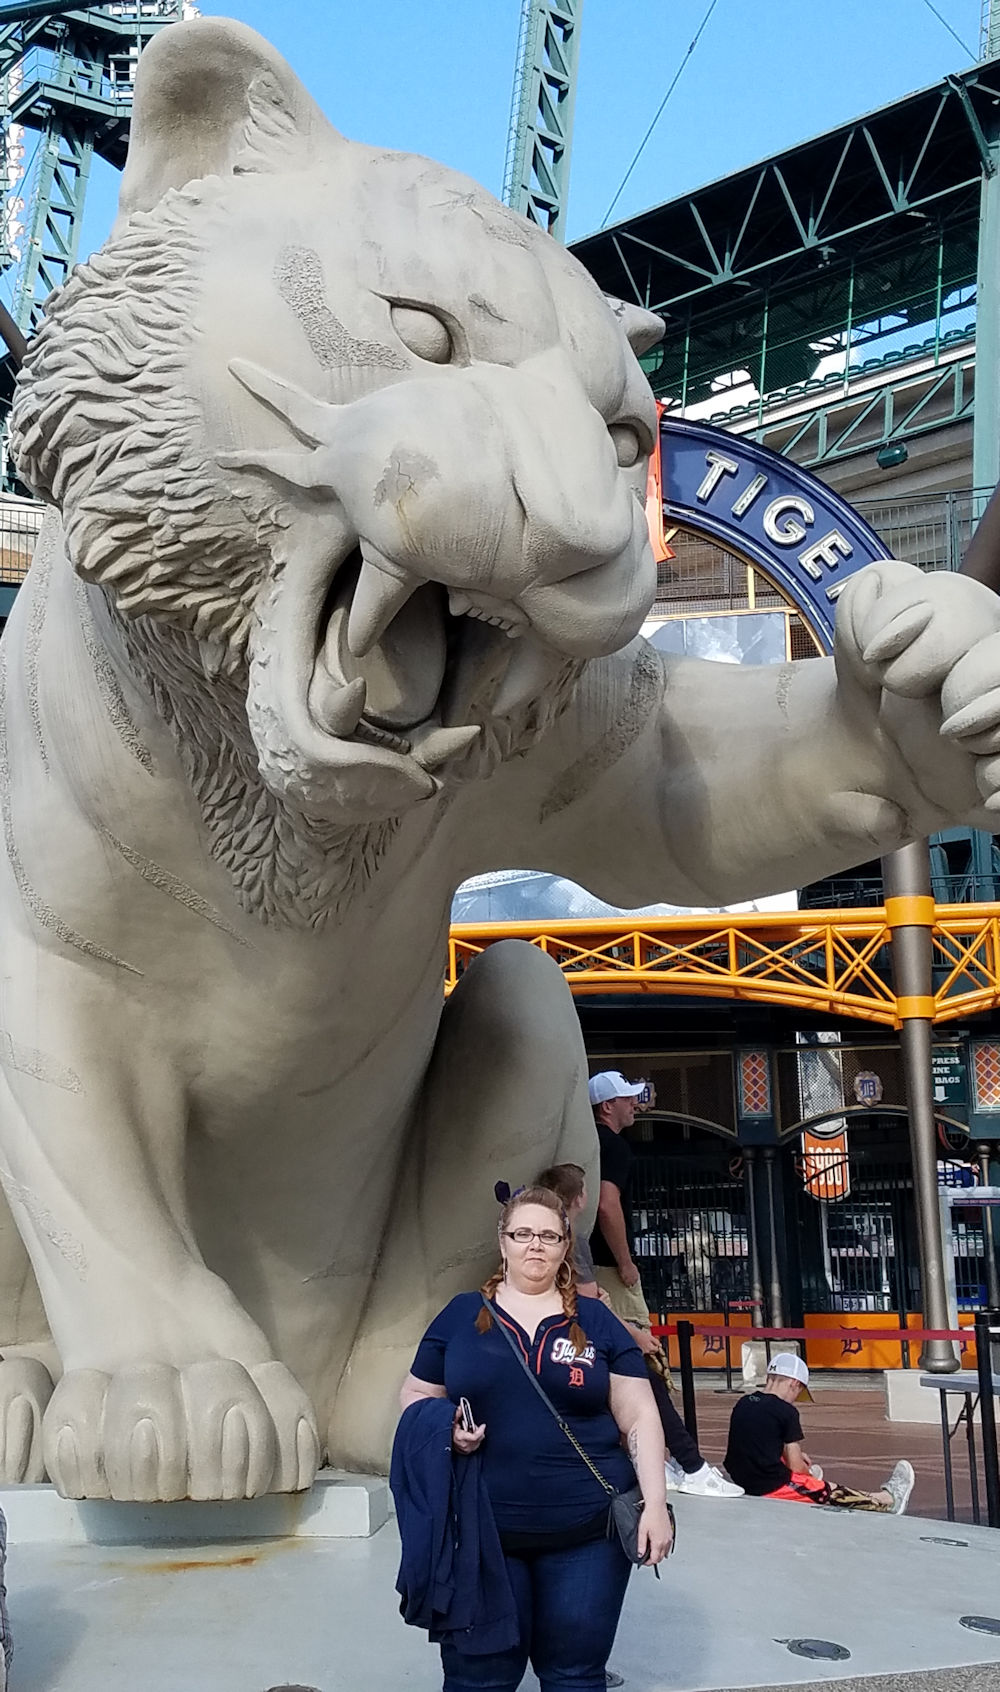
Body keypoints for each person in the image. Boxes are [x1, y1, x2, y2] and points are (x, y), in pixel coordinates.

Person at [398, 1185, 672, 1692]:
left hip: (588, 1533)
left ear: (566, 1246)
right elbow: (416, 1393)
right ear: (502, 1243)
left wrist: (655, 1504)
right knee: (478, 1678)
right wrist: (446, 1430)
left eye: (548, 1235)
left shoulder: (595, 1322)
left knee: (574, 1675)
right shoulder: (461, 1315)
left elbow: (639, 1415)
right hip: (482, 1533)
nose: (535, 1245)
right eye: (522, 1234)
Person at [585, 1077, 743, 1500]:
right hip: (606, 1270)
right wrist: (624, 1261)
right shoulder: (613, 1146)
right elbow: (607, 1202)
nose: (636, 1104)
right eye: (628, 1097)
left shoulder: (585, 1144)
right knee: (641, 1360)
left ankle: (654, 1458)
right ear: (607, 1106)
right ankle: (686, 1462)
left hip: (593, 1268)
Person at [725, 1353, 915, 1513]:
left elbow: (759, 1440)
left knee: (788, 1462)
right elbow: (796, 1466)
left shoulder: (745, 1402)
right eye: (799, 1391)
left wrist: (797, 1456)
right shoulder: (786, 1412)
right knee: (830, 1491)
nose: (796, 1398)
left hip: (743, 1478)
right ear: (794, 1383)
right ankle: (887, 1501)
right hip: (768, 1485)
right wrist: (804, 1472)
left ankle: (806, 1482)